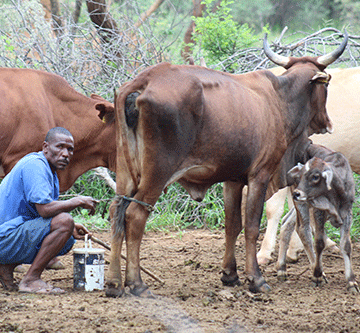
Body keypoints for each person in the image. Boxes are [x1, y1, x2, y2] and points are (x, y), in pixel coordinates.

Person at [0, 127, 98, 294]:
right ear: (45, 147)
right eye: (60, 147)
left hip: (9, 235)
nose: (66, 154)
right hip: (4, 237)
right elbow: (45, 210)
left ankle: (6, 267)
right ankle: (31, 280)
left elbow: (38, 215)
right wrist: (77, 201)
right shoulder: (36, 166)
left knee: (67, 234)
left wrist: (70, 226)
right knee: (64, 222)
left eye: (70, 149)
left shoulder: (47, 169)